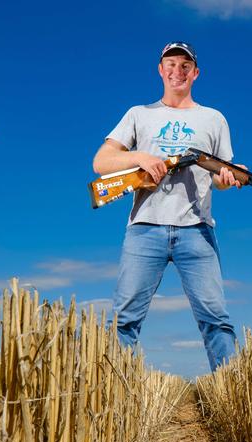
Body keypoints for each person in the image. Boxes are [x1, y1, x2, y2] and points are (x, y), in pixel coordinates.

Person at [92, 41, 243, 371]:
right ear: (160, 70)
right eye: (171, 64)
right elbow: (101, 163)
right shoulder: (138, 114)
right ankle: (115, 403)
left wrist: (229, 178)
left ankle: (233, 401)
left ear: (196, 73)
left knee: (216, 320)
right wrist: (140, 157)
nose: (178, 71)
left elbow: (219, 177)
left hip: (197, 230)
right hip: (145, 228)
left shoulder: (214, 119)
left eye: (185, 65)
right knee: (123, 321)